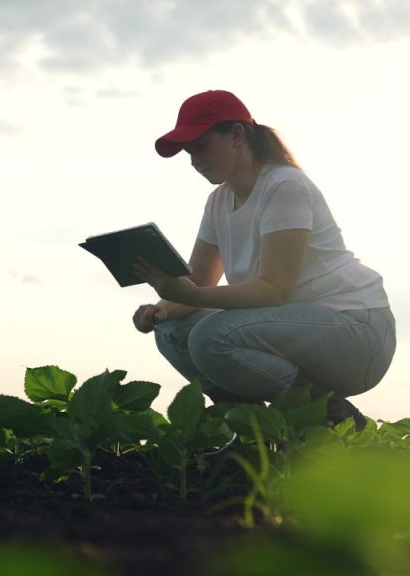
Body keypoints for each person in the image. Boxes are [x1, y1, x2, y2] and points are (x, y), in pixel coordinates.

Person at [132, 90, 395, 429]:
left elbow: (274, 291)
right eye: (188, 151)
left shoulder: (285, 186)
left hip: (356, 330)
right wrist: (162, 310)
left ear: (238, 135)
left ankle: (335, 420)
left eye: (200, 146)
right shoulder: (219, 201)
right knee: (173, 331)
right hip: (294, 329)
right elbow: (199, 281)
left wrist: (188, 295)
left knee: (210, 336)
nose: (194, 159)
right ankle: (251, 437)